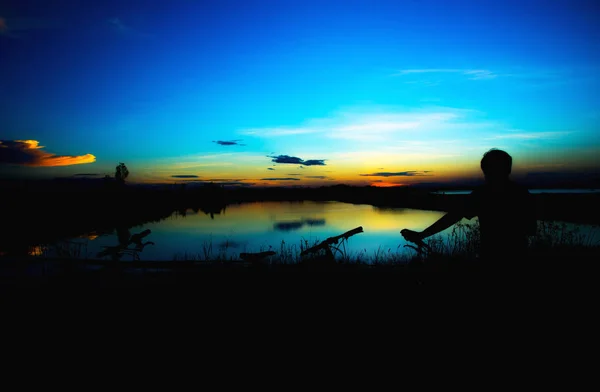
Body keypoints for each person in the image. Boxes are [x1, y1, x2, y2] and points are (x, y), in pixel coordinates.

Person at [401, 149, 537, 264]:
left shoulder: (482, 194)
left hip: (491, 259)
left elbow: (453, 216)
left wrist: (422, 234)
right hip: (519, 258)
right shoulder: (522, 193)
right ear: (509, 169)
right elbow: (531, 229)